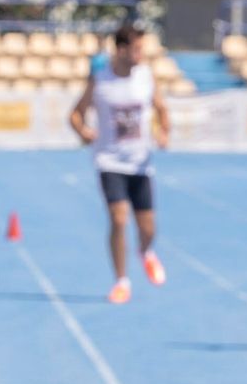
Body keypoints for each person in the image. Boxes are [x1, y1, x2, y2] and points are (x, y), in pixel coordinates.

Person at [68, 23, 170, 304]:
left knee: (147, 227)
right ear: (121, 49)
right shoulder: (100, 80)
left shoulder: (146, 77)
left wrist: (164, 132)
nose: (141, 54)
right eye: (136, 48)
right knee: (118, 218)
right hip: (110, 161)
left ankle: (146, 252)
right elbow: (75, 115)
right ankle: (121, 280)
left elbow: (162, 109)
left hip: (141, 164)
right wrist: (85, 132)